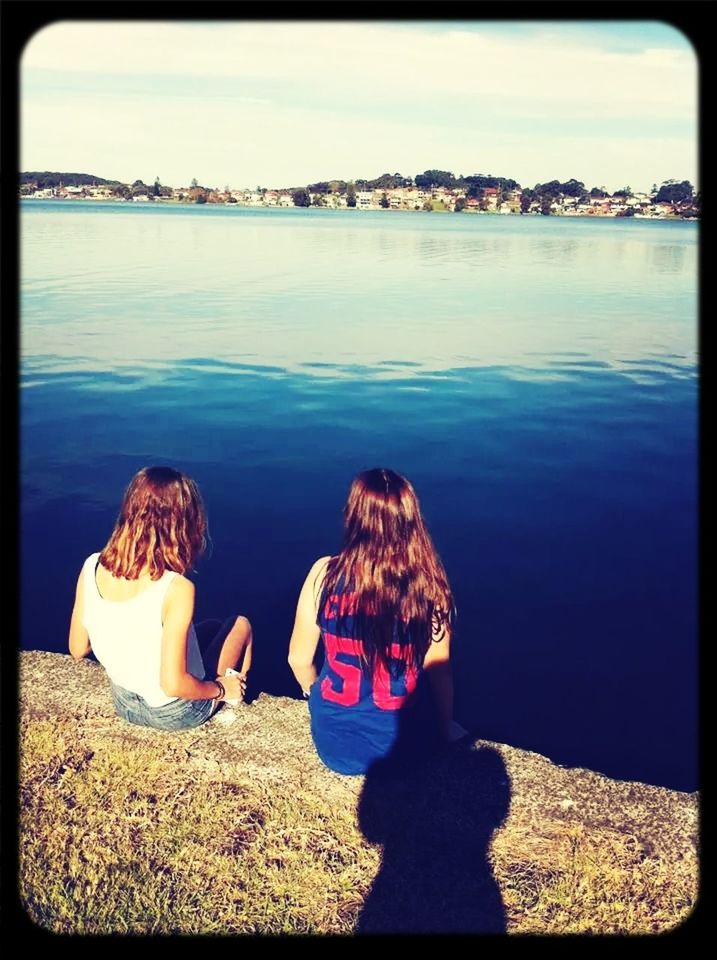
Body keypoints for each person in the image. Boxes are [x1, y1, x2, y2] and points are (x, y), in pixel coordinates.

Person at [288, 467, 458, 775]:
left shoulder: (324, 574)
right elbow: (440, 673)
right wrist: (445, 729)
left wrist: (315, 696)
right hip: (404, 751)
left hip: (334, 746)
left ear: (353, 517)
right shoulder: (429, 587)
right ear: (412, 521)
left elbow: (298, 659)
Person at [68, 465, 252, 730]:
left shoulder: (92, 565)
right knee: (240, 624)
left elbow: (77, 648)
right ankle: (235, 694)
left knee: (212, 628)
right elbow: (172, 684)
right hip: (175, 713)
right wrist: (220, 689)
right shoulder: (175, 587)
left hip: (125, 703)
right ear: (185, 522)